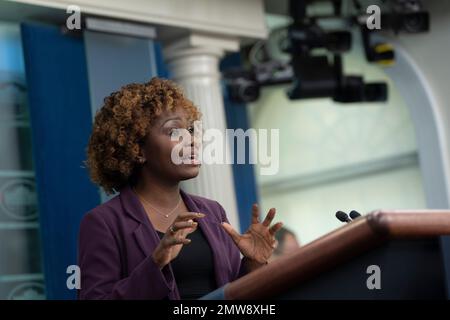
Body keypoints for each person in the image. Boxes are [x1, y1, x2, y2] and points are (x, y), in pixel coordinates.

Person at [78, 77, 283, 300]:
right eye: (174, 132)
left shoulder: (212, 212)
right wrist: (155, 264)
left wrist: (253, 262)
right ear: (137, 149)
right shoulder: (103, 223)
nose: (192, 141)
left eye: (192, 130)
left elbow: (231, 294)